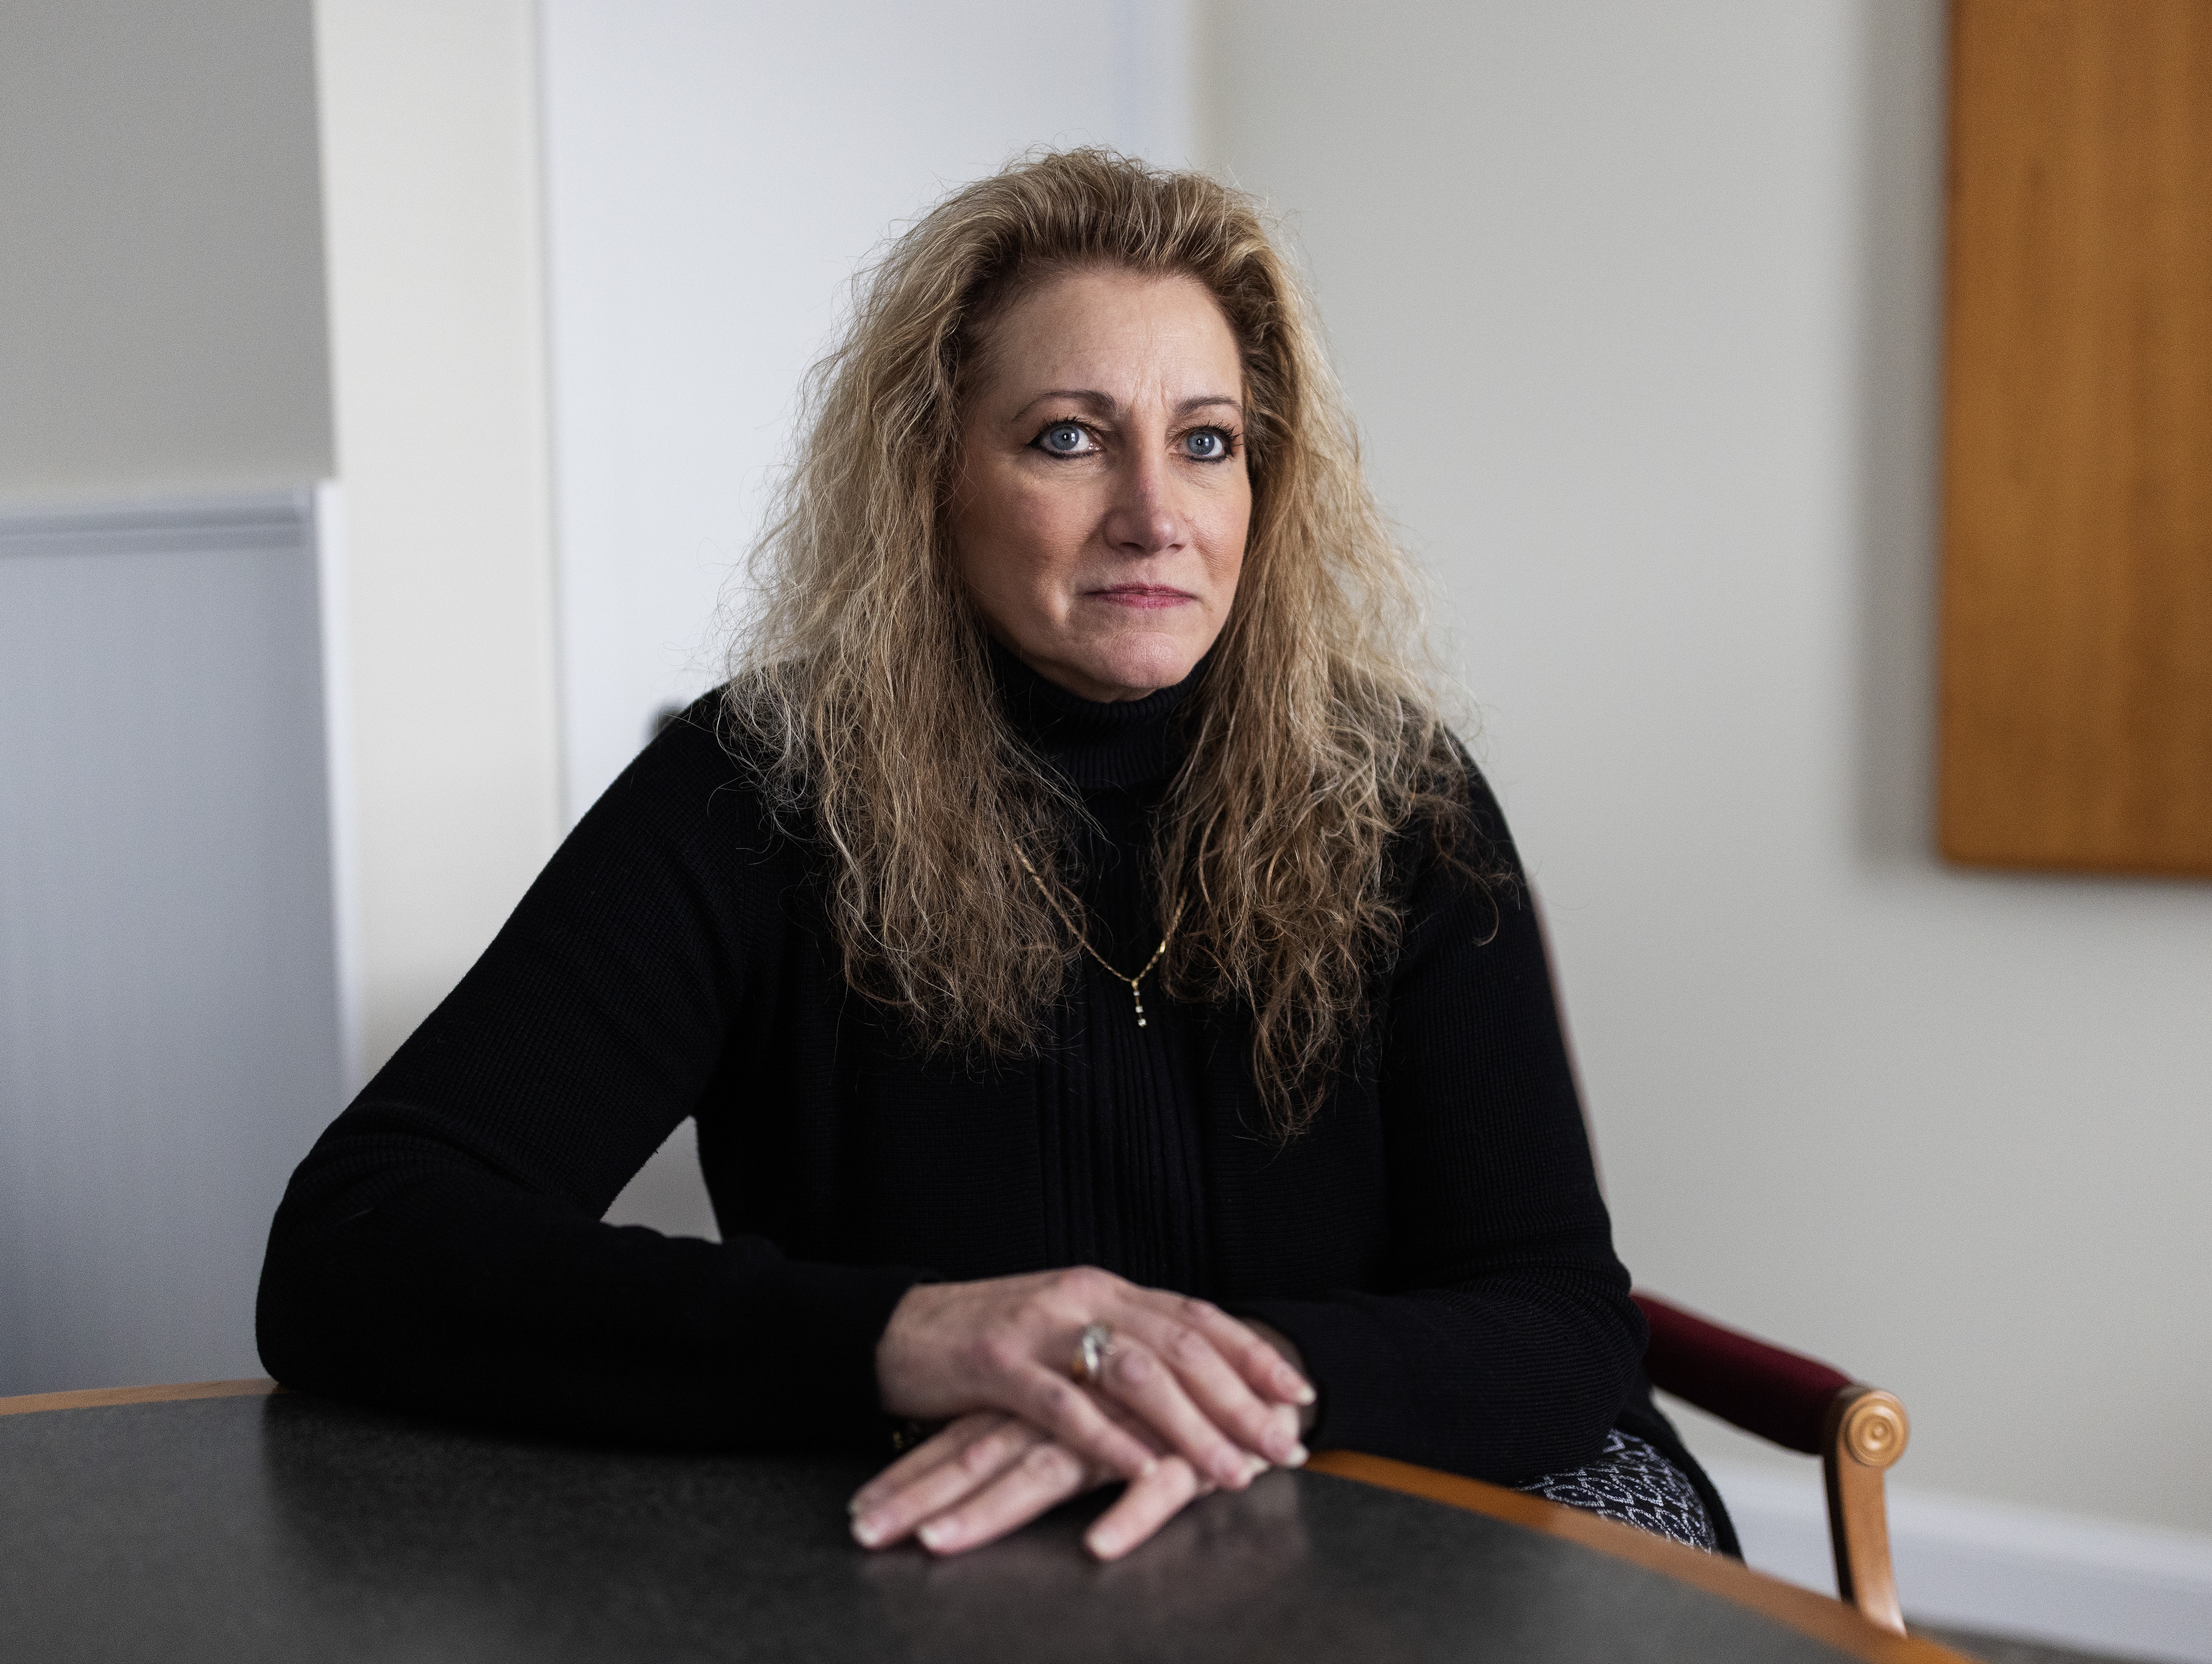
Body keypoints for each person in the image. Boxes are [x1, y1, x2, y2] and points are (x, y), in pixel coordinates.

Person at [257, 149, 1733, 1564]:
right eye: (1068, 439)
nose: (1155, 517)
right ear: (931, 475)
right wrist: (914, 1340)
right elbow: (357, 1247)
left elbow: (1555, 1316)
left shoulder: (1398, 796)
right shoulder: (755, 787)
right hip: (979, 1527)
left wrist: (1213, 1393)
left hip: (1408, 1485)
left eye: (1206, 443)